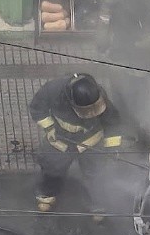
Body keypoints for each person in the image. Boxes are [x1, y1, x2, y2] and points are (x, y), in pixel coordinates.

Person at [28, 73, 126, 213]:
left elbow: (112, 122)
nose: (91, 113)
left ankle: (96, 203)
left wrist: (112, 148)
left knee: (95, 174)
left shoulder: (99, 96)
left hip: (91, 142)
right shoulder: (53, 90)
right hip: (60, 140)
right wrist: (49, 128)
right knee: (52, 170)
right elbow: (37, 108)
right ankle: (47, 196)